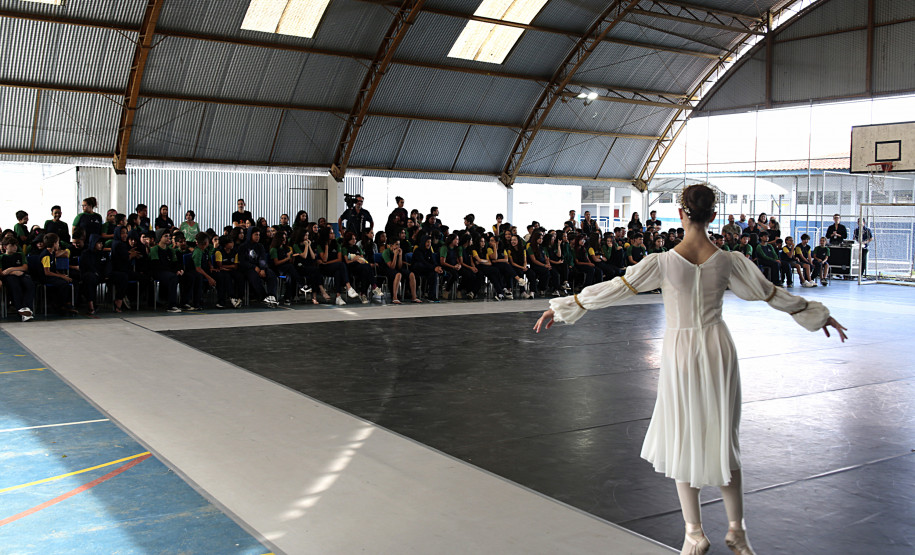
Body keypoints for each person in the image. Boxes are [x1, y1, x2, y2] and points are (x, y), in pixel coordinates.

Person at [534, 183, 847, 555]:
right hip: (718, 348)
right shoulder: (730, 261)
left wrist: (566, 306)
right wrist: (816, 314)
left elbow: (613, 289)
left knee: (683, 434)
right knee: (722, 436)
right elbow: (770, 293)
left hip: (681, 351)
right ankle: (737, 530)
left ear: (681, 214)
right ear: (713, 216)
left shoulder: (661, 263)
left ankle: (694, 533)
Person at [0, 236, 35, 321]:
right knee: (15, 286)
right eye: (12, 245)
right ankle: (20, 310)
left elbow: (24, 267)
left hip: (21, 274)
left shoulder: (20, 254)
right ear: (5, 247)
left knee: (29, 284)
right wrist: (12, 272)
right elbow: (2, 272)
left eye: (15, 245)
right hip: (9, 277)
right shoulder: (1, 257)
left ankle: (27, 308)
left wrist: (11, 269)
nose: (15, 247)